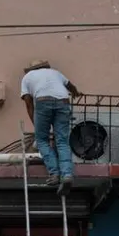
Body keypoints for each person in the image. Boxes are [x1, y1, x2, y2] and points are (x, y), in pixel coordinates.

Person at [20, 59, 81, 196]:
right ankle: (67, 175)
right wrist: (77, 93)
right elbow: (71, 86)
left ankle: (54, 174)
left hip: (43, 102)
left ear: (31, 69)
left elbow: (29, 104)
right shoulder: (55, 73)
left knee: (42, 140)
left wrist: (37, 125)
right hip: (63, 102)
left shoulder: (27, 77)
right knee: (62, 141)